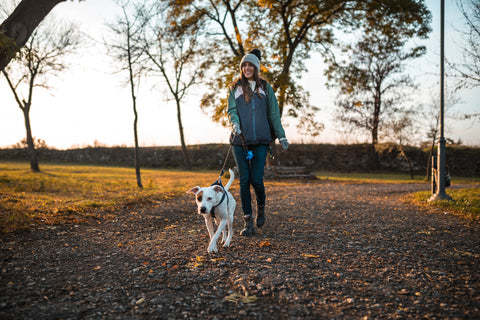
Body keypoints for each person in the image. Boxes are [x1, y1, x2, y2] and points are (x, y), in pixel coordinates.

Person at [227, 48, 289, 236]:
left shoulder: (266, 88)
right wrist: (235, 124)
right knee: (244, 180)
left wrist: (282, 135)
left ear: (256, 67)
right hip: (240, 141)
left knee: (257, 179)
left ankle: (261, 207)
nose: (247, 68)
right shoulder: (235, 87)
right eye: (244, 65)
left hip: (261, 141)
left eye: (250, 65)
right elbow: (231, 110)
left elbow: (274, 114)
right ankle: (248, 222)